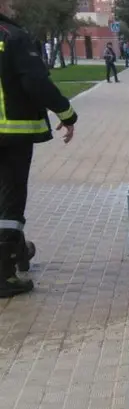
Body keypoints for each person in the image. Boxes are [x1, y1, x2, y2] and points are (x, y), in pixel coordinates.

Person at [0, 4, 78, 298]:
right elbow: (35, 81)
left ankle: (17, 251)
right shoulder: (12, 37)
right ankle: (4, 274)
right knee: (10, 202)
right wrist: (67, 113)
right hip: (10, 134)